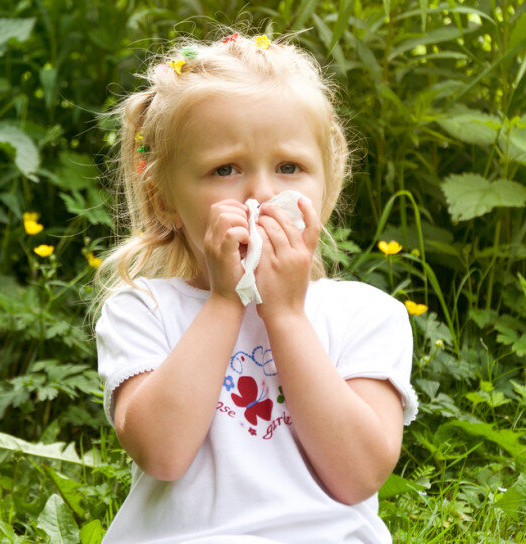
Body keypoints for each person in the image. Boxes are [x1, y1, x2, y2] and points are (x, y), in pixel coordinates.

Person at [91, 29, 418, 544]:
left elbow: (358, 475)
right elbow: (163, 454)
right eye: (225, 169)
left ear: (326, 184)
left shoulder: (366, 315)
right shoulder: (144, 309)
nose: (263, 194)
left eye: (290, 167)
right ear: (164, 200)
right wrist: (226, 300)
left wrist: (285, 315)